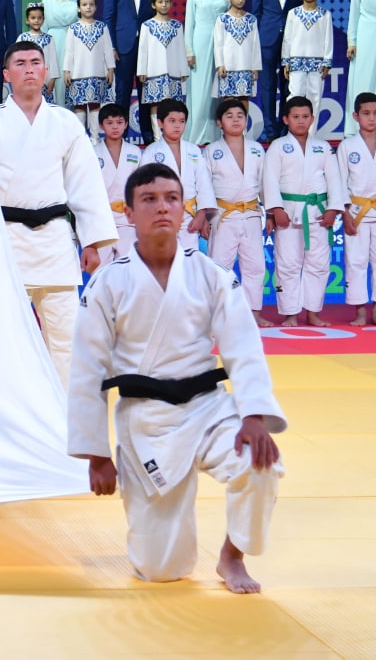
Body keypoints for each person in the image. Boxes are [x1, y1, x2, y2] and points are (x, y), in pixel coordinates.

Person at [69, 162, 286, 595]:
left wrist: (254, 415)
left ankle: (232, 556)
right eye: (149, 199)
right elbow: (87, 369)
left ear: (184, 208)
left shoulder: (211, 275)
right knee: (162, 569)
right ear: (129, 212)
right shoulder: (108, 283)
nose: (162, 208)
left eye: (171, 198)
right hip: (146, 419)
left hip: (209, 407)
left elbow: (243, 346)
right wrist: (96, 453)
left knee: (261, 466)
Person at [0, 41, 118, 388]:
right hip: (4, 240)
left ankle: (67, 409)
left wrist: (92, 242)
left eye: (36, 62)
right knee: (3, 337)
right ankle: (9, 406)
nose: (29, 69)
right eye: (20, 63)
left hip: (54, 240)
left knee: (66, 337)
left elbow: (85, 185)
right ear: (6, 75)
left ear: (46, 71)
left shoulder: (65, 122)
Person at [264, 96, 345, 327]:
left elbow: (334, 180)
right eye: (295, 117)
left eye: (305, 117)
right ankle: (290, 314)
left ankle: (312, 312)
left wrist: (333, 209)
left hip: (317, 213)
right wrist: (275, 209)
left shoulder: (323, 147)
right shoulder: (278, 146)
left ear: (312, 118)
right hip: (287, 213)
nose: (301, 121)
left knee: (318, 264)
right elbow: (269, 179)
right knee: (287, 263)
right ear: (286, 119)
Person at [203, 99, 270, 326]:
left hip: (251, 213)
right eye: (229, 116)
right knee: (219, 266)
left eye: (240, 116)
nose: (235, 120)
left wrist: (270, 212)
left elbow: (265, 183)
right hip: (222, 215)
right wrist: (205, 217)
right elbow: (205, 187)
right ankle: (217, 316)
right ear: (219, 122)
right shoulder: (211, 151)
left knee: (255, 266)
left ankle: (253, 313)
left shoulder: (256, 149)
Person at [142, 100, 216, 251]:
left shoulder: (193, 150)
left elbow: (204, 185)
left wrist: (201, 215)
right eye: (172, 121)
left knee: (189, 261)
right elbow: (144, 189)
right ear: (160, 123)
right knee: (163, 261)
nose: (177, 126)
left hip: (189, 217)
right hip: (161, 217)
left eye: (181, 121)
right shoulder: (151, 152)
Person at [250, 0, 302, 140]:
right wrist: (254, 43)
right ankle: (271, 131)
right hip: (267, 40)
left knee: (290, 87)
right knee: (268, 87)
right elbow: (256, 14)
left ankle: (285, 129)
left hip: (292, 41)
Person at [103, 0, 154, 141]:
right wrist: (112, 46)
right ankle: (119, 137)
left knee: (147, 95)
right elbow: (108, 18)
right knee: (122, 94)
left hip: (147, 48)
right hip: (122, 48)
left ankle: (149, 138)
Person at [183, 0, 229, 145]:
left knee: (219, 90)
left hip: (222, 43)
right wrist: (189, 51)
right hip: (200, 43)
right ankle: (196, 135)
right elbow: (189, 24)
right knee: (200, 91)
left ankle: (216, 135)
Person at [137, 0, 190, 144]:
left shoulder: (177, 25)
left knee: (173, 105)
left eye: (167, 1)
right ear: (153, 4)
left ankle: (173, 136)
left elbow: (181, 48)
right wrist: (142, 70)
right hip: (153, 70)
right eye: (160, 2)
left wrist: (183, 69)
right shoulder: (147, 25)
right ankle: (157, 137)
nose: (164, 4)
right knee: (155, 103)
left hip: (173, 71)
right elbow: (143, 50)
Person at [340, 93, 376, 325]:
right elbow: (340, 183)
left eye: (375, 113)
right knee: (356, 261)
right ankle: (360, 310)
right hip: (357, 212)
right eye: (366, 113)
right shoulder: (347, 146)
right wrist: (345, 214)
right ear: (356, 116)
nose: (372, 118)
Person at [281, 0, 333, 129]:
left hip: (317, 62)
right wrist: (286, 61)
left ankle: (311, 135)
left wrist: (327, 62)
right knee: (295, 96)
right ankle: (293, 132)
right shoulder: (293, 13)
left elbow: (328, 39)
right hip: (296, 61)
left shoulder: (325, 14)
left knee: (315, 97)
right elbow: (287, 39)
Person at [64, 0, 115, 138]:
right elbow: (69, 51)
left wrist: (110, 69)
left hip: (97, 73)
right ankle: (80, 138)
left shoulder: (102, 27)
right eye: (84, 4)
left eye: (91, 4)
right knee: (79, 105)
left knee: (95, 104)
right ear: (79, 8)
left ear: (96, 7)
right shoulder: (73, 28)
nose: (88, 7)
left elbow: (108, 49)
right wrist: (67, 70)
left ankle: (94, 137)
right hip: (77, 73)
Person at [94, 104, 141, 265]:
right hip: (101, 219)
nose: (115, 127)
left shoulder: (135, 152)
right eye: (109, 122)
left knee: (129, 268)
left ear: (126, 124)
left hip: (128, 219)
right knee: (100, 270)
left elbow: (142, 187)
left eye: (119, 122)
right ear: (101, 125)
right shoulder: (92, 152)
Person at [213, 0, 262, 111]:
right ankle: (227, 124)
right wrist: (220, 65)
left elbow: (255, 44)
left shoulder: (251, 19)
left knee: (244, 98)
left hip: (245, 65)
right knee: (227, 99)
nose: (240, 0)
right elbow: (218, 44)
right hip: (228, 65)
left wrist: (255, 67)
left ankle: (243, 124)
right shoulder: (222, 19)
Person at [346, 0, 376, 136]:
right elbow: (354, 13)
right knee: (363, 80)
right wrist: (352, 41)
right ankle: (357, 128)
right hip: (365, 34)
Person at [42, 0, 79, 107]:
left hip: (74, 45)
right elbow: (42, 30)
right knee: (53, 81)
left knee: (72, 83)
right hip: (53, 45)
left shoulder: (78, 0)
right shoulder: (46, 2)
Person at [17, 4, 59, 104]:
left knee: (45, 107)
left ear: (43, 19)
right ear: (27, 20)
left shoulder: (49, 39)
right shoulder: (22, 38)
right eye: (33, 18)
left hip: (46, 81)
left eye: (39, 18)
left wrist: (52, 79)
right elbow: (17, 60)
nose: (36, 20)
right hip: (26, 80)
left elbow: (53, 61)